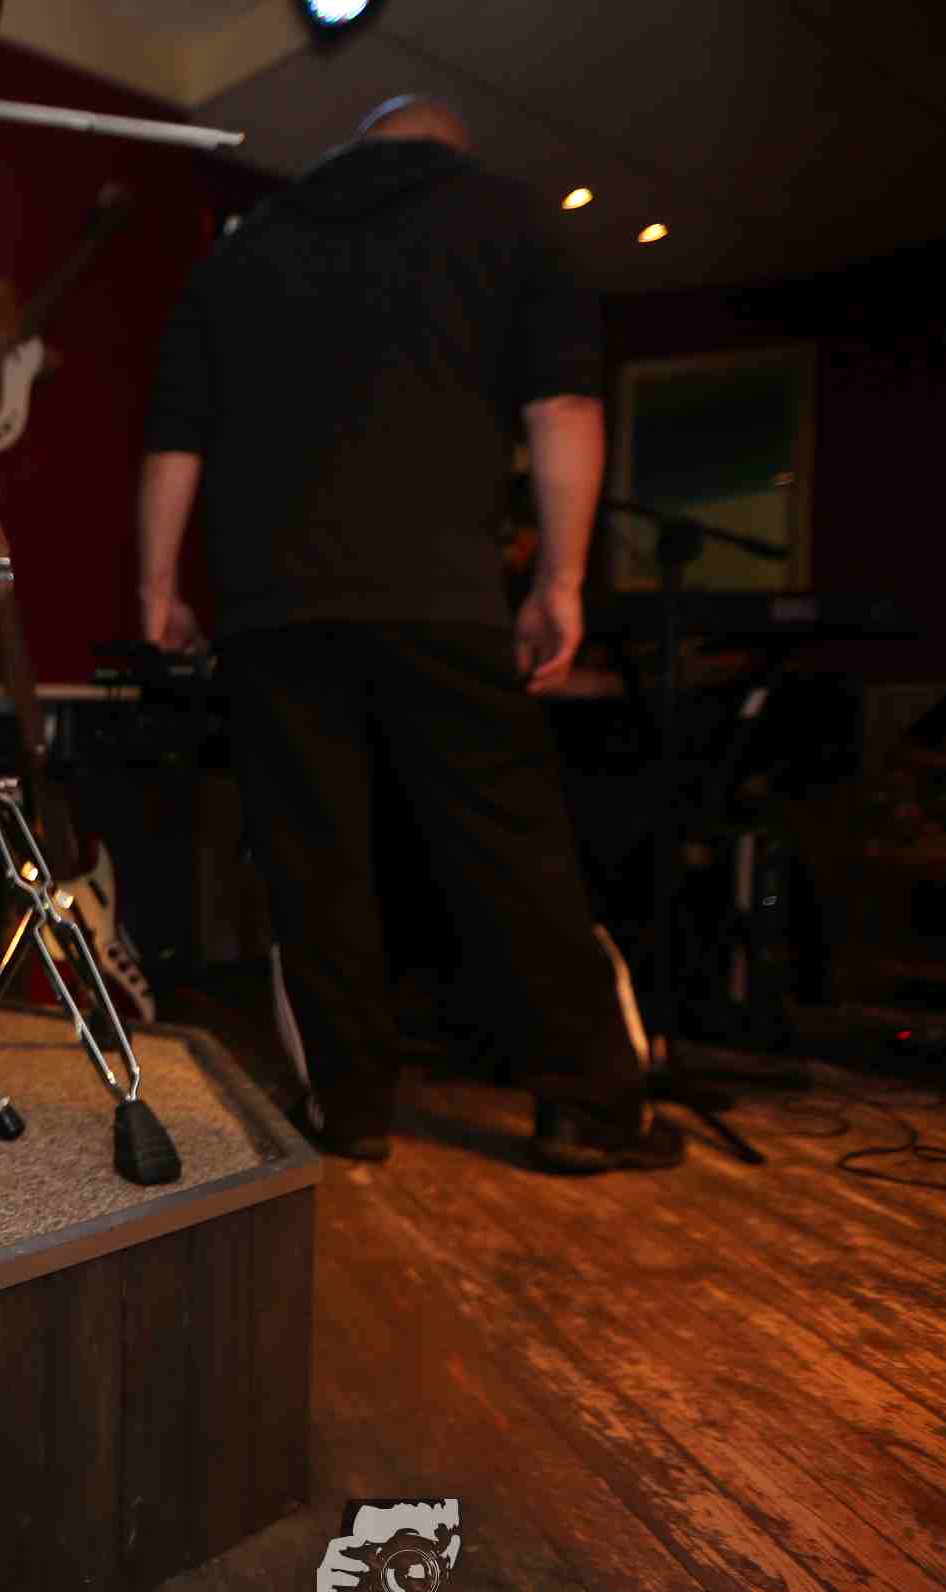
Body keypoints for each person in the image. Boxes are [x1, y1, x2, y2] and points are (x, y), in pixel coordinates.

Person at [135, 95, 682, 1174]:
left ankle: (349, 1109)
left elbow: (174, 437)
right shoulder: (506, 219)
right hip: (441, 592)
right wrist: (561, 581)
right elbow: (564, 410)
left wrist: (157, 587)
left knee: (313, 863)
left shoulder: (243, 250)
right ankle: (588, 1108)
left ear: (356, 144)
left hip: (275, 607)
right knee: (509, 851)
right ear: (447, 146)